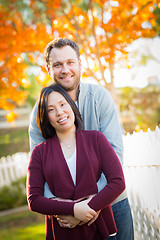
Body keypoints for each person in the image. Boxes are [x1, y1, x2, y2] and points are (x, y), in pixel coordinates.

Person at [29, 38, 134, 240]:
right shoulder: (40, 113)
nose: (65, 69)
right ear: (48, 69)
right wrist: (71, 208)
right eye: (57, 64)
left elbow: (115, 152)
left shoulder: (100, 98)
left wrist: (91, 204)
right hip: (66, 215)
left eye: (70, 62)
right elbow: (39, 170)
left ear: (80, 64)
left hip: (113, 202)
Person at [27, 84, 125, 240]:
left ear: (71, 106)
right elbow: (34, 200)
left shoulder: (96, 139)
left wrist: (84, 211)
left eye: (62, 104)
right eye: (51, 109)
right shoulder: (40, 152)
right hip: (63, 231)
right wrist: (72, 209)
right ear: (45, 117)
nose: (60, 112)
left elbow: (118, 182)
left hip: (100, 228)